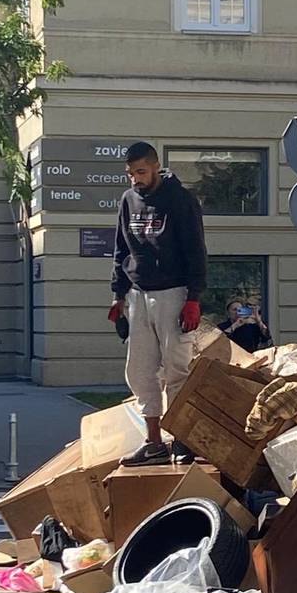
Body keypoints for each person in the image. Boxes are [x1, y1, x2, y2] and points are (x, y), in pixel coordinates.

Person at [110, 141, 207, 466]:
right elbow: (121, 250)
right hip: (138, 294)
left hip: (174, 292)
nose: (135, 179)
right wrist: (118, 294)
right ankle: (153, 443)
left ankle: (182, 439)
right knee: (139, 372)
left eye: (140, 172)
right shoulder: (127, 201)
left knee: (177, 369)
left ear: (155, 167)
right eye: (130, 173)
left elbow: (196, 250)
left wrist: (193, 298)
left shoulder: (180, 200)